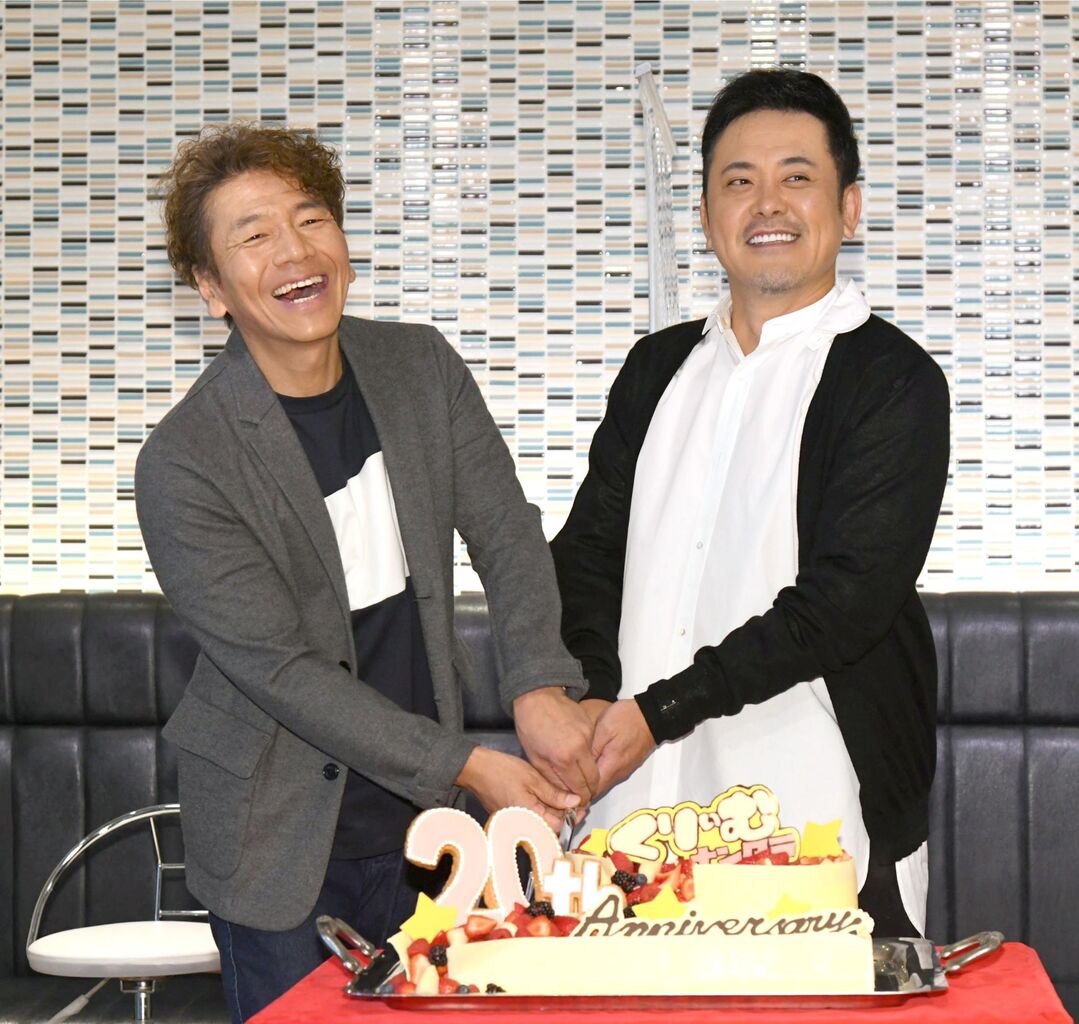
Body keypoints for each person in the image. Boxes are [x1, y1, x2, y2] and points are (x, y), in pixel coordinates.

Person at [136, 123, 598, 1022]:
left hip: (430, 832)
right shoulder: (185, 462)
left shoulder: (419, 367)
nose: (294, 251)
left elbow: (507, 532)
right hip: (275, 840)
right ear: (210, 286)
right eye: (254, 235)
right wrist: (470, 763)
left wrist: (539, 680)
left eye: (310, 219)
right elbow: (282, 671)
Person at [551, 69, 950, 938]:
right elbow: (585, 555)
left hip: (819, 820)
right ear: (706, 217)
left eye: (795, 177)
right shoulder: (655, 371)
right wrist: (585, 692)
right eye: (738, 181)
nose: (766, 202)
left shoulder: (892, 382)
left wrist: (659, 712)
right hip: (629, 815)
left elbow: (843, 604)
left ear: (847, 208)